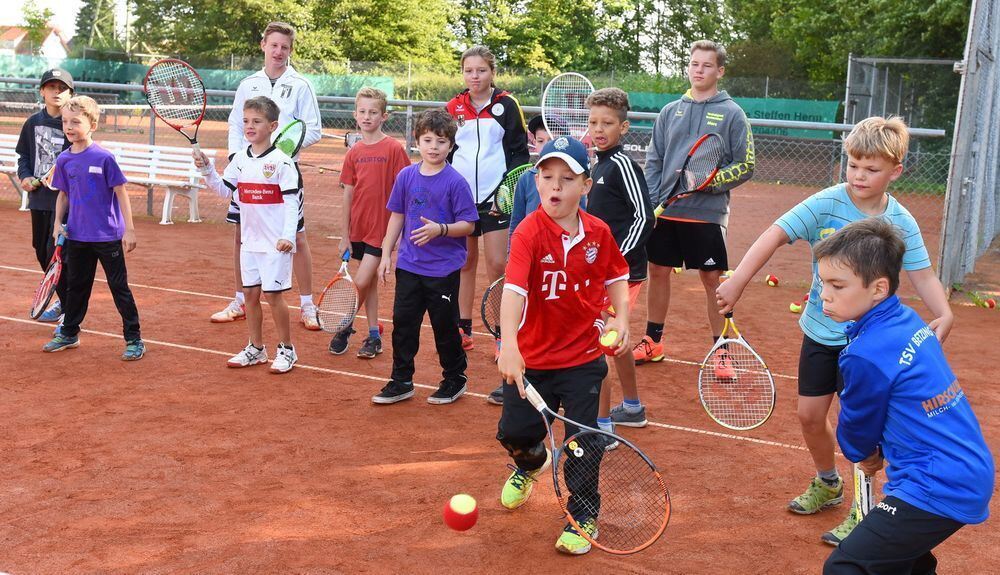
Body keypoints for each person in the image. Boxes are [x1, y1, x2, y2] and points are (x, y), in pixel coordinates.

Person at [716, 116, 955, 545]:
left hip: (870, 344)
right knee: (810, 416)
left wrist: (945, 312)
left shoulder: (900, 221)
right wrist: (738, 280)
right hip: (821, 333)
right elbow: (774, 234)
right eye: (854, 165)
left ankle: (864, 511)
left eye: (872, 168)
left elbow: (922, 274)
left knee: (860, 429)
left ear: (895, 171)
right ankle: (828, 483)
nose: (860, 176)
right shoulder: (825, 203)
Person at [812, 218, 993, 574]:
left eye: (837, 285)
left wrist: (865, 454)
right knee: (905, 565)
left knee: (845, 567)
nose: (824, 295)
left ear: (878, 289)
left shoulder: (865, 353)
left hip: (935, 482)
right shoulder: (907, 319)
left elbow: (856, 438)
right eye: (822, 284)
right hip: (965, 469)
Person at [496, 136, 631, 555]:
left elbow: (616, 277)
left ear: (585, 186)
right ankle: (530, 464)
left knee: (582, 442)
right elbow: (513, 291)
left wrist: (622, 317)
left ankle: (584, 513)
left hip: (583, 359)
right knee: (515, 435)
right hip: (533, 358)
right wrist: (510, 345)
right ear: (536, 180)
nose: (555, 186)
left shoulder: (599, 233)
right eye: (547, 176)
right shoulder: (528, 233)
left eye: (566, 178)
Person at [634, 39, 755, 365]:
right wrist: (652, 204)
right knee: (657, 270)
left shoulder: (732, 114)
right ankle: (652, 341)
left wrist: (709, 183)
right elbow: (654, 161)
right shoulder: (670, 111)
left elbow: (746, 163)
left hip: (707, 214)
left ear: (720, 71)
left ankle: (721, 352)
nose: (699, 70)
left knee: (712, 280)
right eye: (694, 64)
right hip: (667, 211)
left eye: (706, 65)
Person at [212, 21, 323, 330]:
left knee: (296, 237)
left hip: (283, 175)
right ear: (263, 45)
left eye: (284, 47)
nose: (278, 52)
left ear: (290, 51)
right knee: (241, 235)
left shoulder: (301, 84)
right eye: (273, 45)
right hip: (248, 173)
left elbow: (313, 129)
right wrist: (237, 158)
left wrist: (280, 153)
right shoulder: (249, 83)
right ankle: (240, 300)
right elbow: (236, 123)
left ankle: (307, 305)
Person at [372, 109, 478, 405]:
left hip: (443, 270)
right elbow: (397, 216)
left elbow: (468, 225)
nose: (434, 146)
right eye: (428, 140)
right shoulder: (406, 176)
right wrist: (386, 255)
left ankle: (454, 378)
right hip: (408, 265)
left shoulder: (456, 182)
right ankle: (401, 380)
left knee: (444, 327)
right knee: (403, 323)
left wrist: (441, 230)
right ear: (417, 141)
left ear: (451, 146)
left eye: (441, 141)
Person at [196, 96, 300, 373]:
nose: (249, 126)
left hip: (276, 245)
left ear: (273, 125)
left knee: (273, 296)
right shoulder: (240, 159)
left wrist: (288, 236)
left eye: (257, 121)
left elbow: (292, 203)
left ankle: (287, 349)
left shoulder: (282, 163)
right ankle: (256, 348)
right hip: (249, 243)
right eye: (245, 121)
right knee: (251, 295)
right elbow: (223, 190)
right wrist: (207, 170)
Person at [41, 96, 144, 361]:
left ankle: (134, 338)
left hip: (107, 236)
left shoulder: (104, 157)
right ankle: (70, 333)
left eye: (76, 121)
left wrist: (129, 229)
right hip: (76, 236)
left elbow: (121, 192)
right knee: (77, 287)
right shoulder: (64, 160)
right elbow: (62, 195)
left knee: (119, 287)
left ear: (92, 124)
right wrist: (57, 226)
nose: (69, 126)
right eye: (65, 121)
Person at [445, 45, 530, 357]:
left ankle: (501, 333)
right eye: (469, 70)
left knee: (498, 265)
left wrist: (506, 192)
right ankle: (462, 328)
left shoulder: (507, 105)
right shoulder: (453, 107)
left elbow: (519, 153)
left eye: (481, 70)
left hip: (497, 198)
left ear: (492, 72)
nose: (475, 76)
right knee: (465, 263)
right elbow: (447, 152)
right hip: (462, 199)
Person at [584, 88, 654, 434]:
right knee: (618, 338)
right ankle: (632, 406)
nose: (599, 129)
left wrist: (613, 262)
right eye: (593, 121)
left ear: (623, 128)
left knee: (603, 339)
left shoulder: (622, 165)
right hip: (606, 272)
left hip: (622, 274)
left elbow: (643, 218)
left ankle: (602, 428)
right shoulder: (599, 165)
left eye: (607, 123)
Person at [329, 86, 411, 358]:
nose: (367, 116)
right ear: (355, 114)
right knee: (370, 284)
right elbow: (348, 195)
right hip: (359, 228)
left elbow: (405, 189)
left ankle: (346, 324)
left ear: (383, 116)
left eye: (373, 112)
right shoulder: (353, 152)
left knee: (362, 280)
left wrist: (399, 233)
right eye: (362, 111)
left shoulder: (393, 149)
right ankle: (374, 335)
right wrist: (344, 235)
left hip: (383, 230)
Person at [17, 67, 73, 324]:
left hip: (64, 201)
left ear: (71, 93)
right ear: (42, 91)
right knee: (41, 250)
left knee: (56, 251)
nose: (57, 92)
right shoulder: (33, 123)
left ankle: (70, 310)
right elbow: (25, 157)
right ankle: (63, 300)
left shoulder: (73, 124)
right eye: (52, 87)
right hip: (38, 199)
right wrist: (26, 176)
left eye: (62, 88)